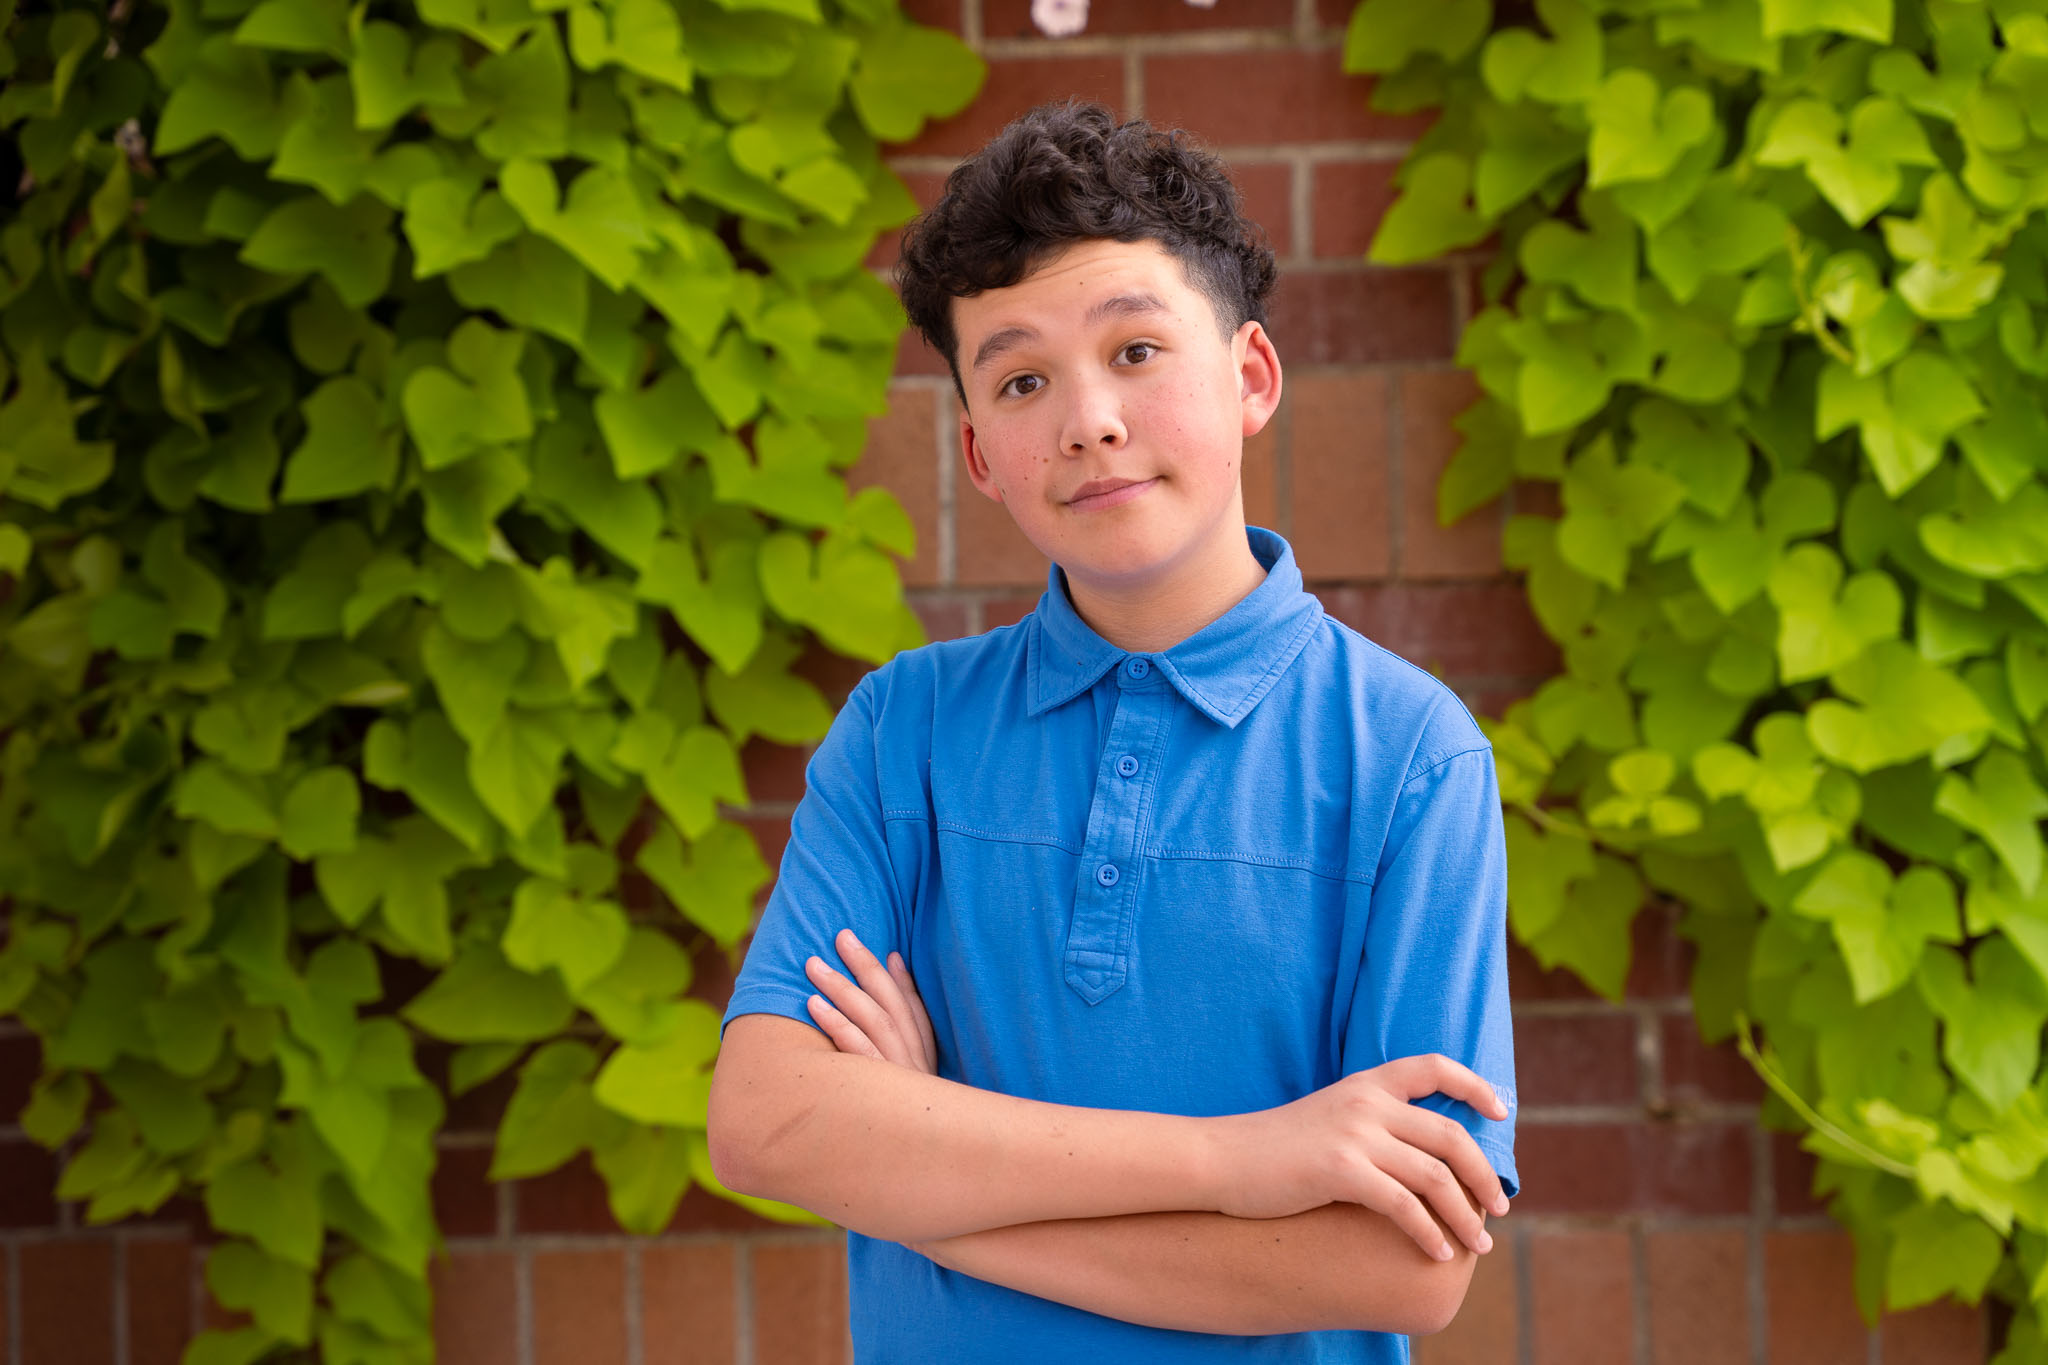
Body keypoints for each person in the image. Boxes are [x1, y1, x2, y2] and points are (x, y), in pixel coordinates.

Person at [705, 100, 1518, 1362]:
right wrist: (1238, 1161)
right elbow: (764, 1122)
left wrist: (927, 1172)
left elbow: (1397, 1266)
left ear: (1248, 377)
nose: (1086, 419)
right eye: (1022, 379)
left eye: (1134, 351)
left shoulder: (1407, 755)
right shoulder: (900, 732)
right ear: (979, 453)